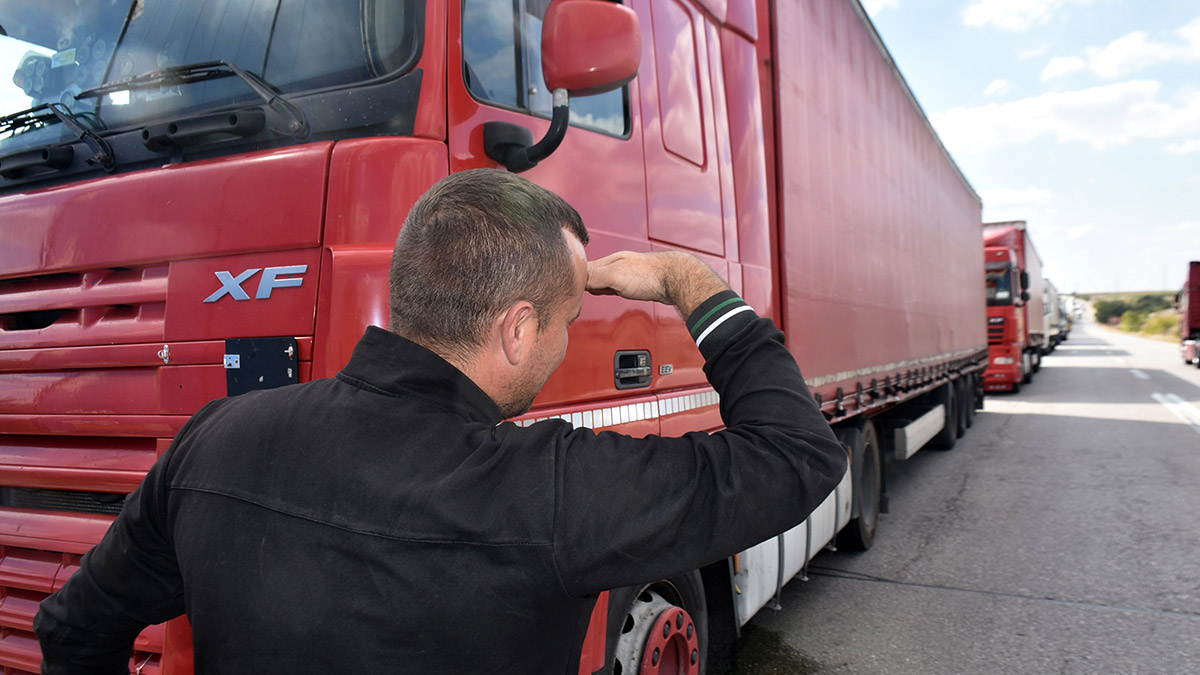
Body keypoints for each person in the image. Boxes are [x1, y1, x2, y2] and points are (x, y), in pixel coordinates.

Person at [34, 169, 847, 673]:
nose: (567, 342)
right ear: (518, 330)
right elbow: (796, 455)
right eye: (564, 321)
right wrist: (687, 281)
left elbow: (73, 629)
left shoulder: (213, 440)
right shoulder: (550, 490)